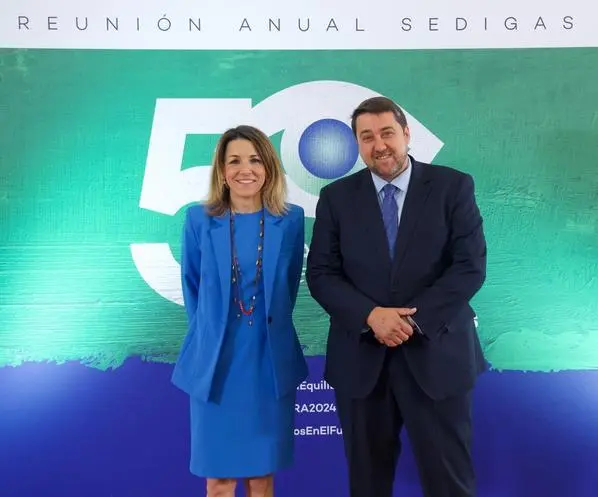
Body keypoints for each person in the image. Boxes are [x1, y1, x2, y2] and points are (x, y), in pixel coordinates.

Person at [306, 96, 488, 497]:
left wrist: (410, 321)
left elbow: (469, 266)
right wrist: (372, 316)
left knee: (450, 484)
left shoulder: (452, 187)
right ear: (357, 144)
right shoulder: (336, 198)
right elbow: (320, 274)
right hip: (361, 363)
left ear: (406, 133)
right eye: (367, 137)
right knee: (367, 485)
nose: (379, 145)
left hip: (437, 356)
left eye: (387, 133)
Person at [171, 125, 308, 497]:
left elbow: (288, 287)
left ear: (269, 167)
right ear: (221, 170)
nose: (245, 169)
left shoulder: (291, 220)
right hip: (216, 364)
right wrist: (210, 336)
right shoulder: (198, 220)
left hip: (268, 363)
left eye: (255, 160)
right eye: (234, 161)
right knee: (218, 481)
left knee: (261, 479)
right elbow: (192, 286)